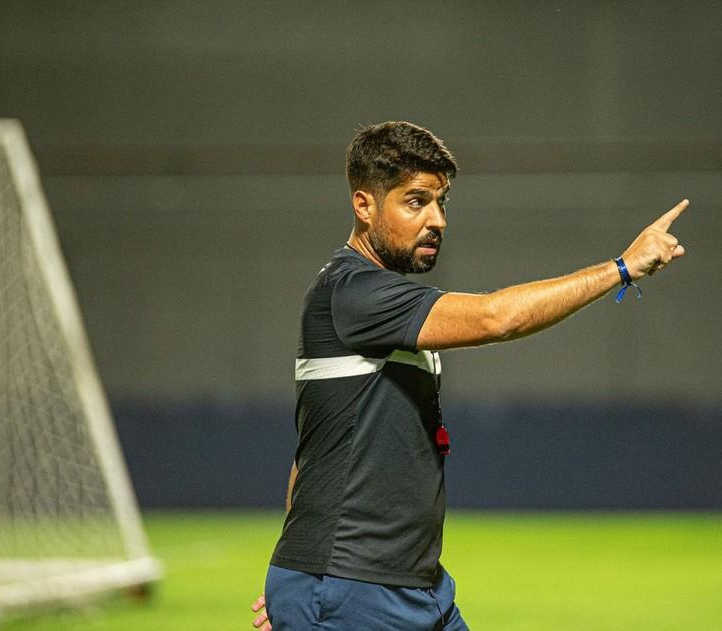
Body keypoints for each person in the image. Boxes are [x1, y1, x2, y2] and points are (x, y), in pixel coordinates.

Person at [252, 121, 688, 630]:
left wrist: (300, 567)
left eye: (443, 202)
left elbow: (316, 449)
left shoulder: (376, 301)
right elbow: (495, 318)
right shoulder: (354, 291)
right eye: (416, 201)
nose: (437, 219)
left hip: (408, 586)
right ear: (364, 205)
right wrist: (622, 267)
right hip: (352, 591)